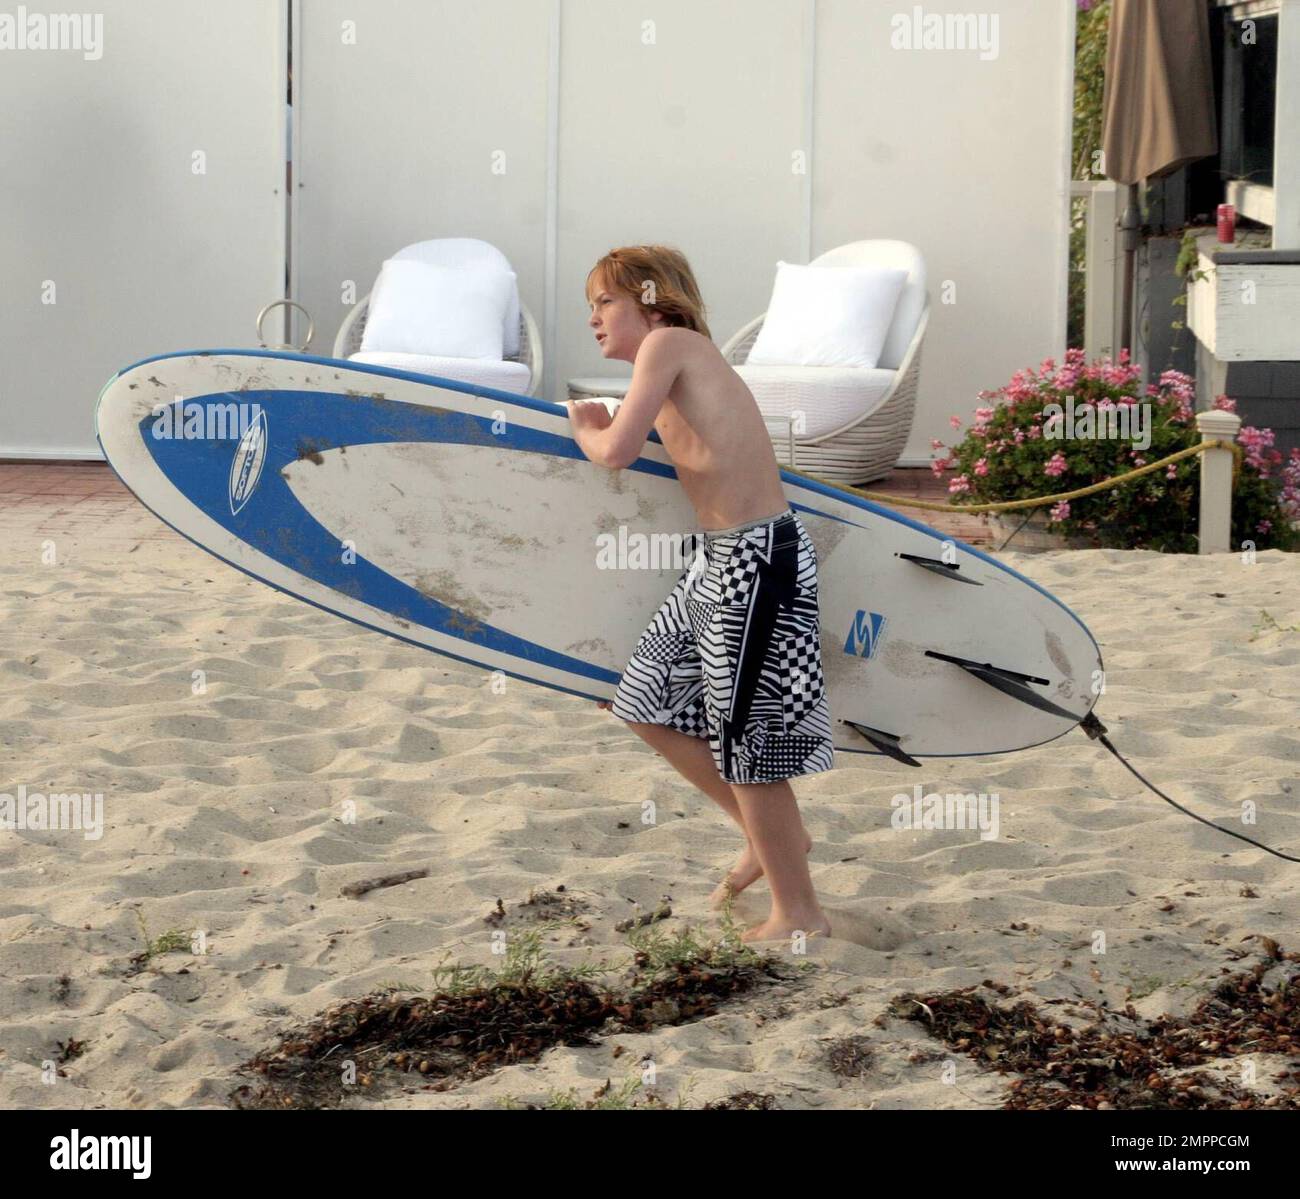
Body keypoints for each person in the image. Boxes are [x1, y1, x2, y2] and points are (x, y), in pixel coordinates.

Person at [566, 245, 836, 943]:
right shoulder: (673, 360)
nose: (593, 317)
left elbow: (618, 450)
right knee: (642, 701)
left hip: (757, 556)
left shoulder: (669, 343)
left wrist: (589, 428)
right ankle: (772, 835)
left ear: (651, 300)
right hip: (715, 560)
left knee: (746, 739)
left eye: (605, 302)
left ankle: (799, 912)